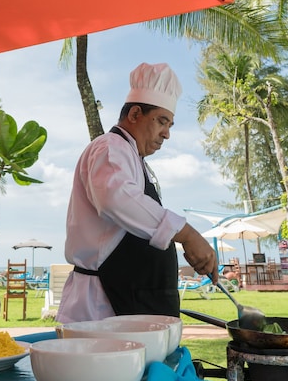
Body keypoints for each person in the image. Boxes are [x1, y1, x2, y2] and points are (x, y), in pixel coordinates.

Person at [58, 62, 218, 323]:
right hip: (102, 306)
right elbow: (116, 198)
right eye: (162, 121)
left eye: (170, 125)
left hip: (124, 302)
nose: (167, 134)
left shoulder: (132, 156)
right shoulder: (110, 148)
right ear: (134, 114)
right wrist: (187, 235)